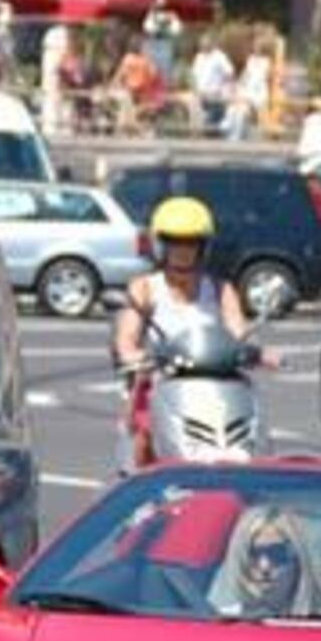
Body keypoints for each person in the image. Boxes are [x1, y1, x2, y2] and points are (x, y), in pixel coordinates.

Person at [111, 196, 257, 471]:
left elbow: (239, 332)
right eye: (174, 242)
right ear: (159, 245)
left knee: (252, 428)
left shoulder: (220, 289)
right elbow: (127, 338)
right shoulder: (144, 287)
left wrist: (254, 351)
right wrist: (133, 355)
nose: (182, 250)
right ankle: (135, 481)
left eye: (191, 242)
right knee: (143, 433)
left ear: (203, 246)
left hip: (215, 384)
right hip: (160, 381)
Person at [209, 504, 321, 620]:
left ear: (300, 561)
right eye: (252, 553)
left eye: (277, 553)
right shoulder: (213, 621)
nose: (264, 565)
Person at [188, 38, 236, 135]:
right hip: (200, 92)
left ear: (212, 44)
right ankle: (195, 134)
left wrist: (220, 89)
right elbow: (193, 76)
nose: (203, 47)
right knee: (191, 102)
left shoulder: (219, 57)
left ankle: (201, 133)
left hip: (215, 92)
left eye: (205, 45)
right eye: (202, 45)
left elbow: (230, 74)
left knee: (198, 103)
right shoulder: (199, 57)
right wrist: (195, 89)